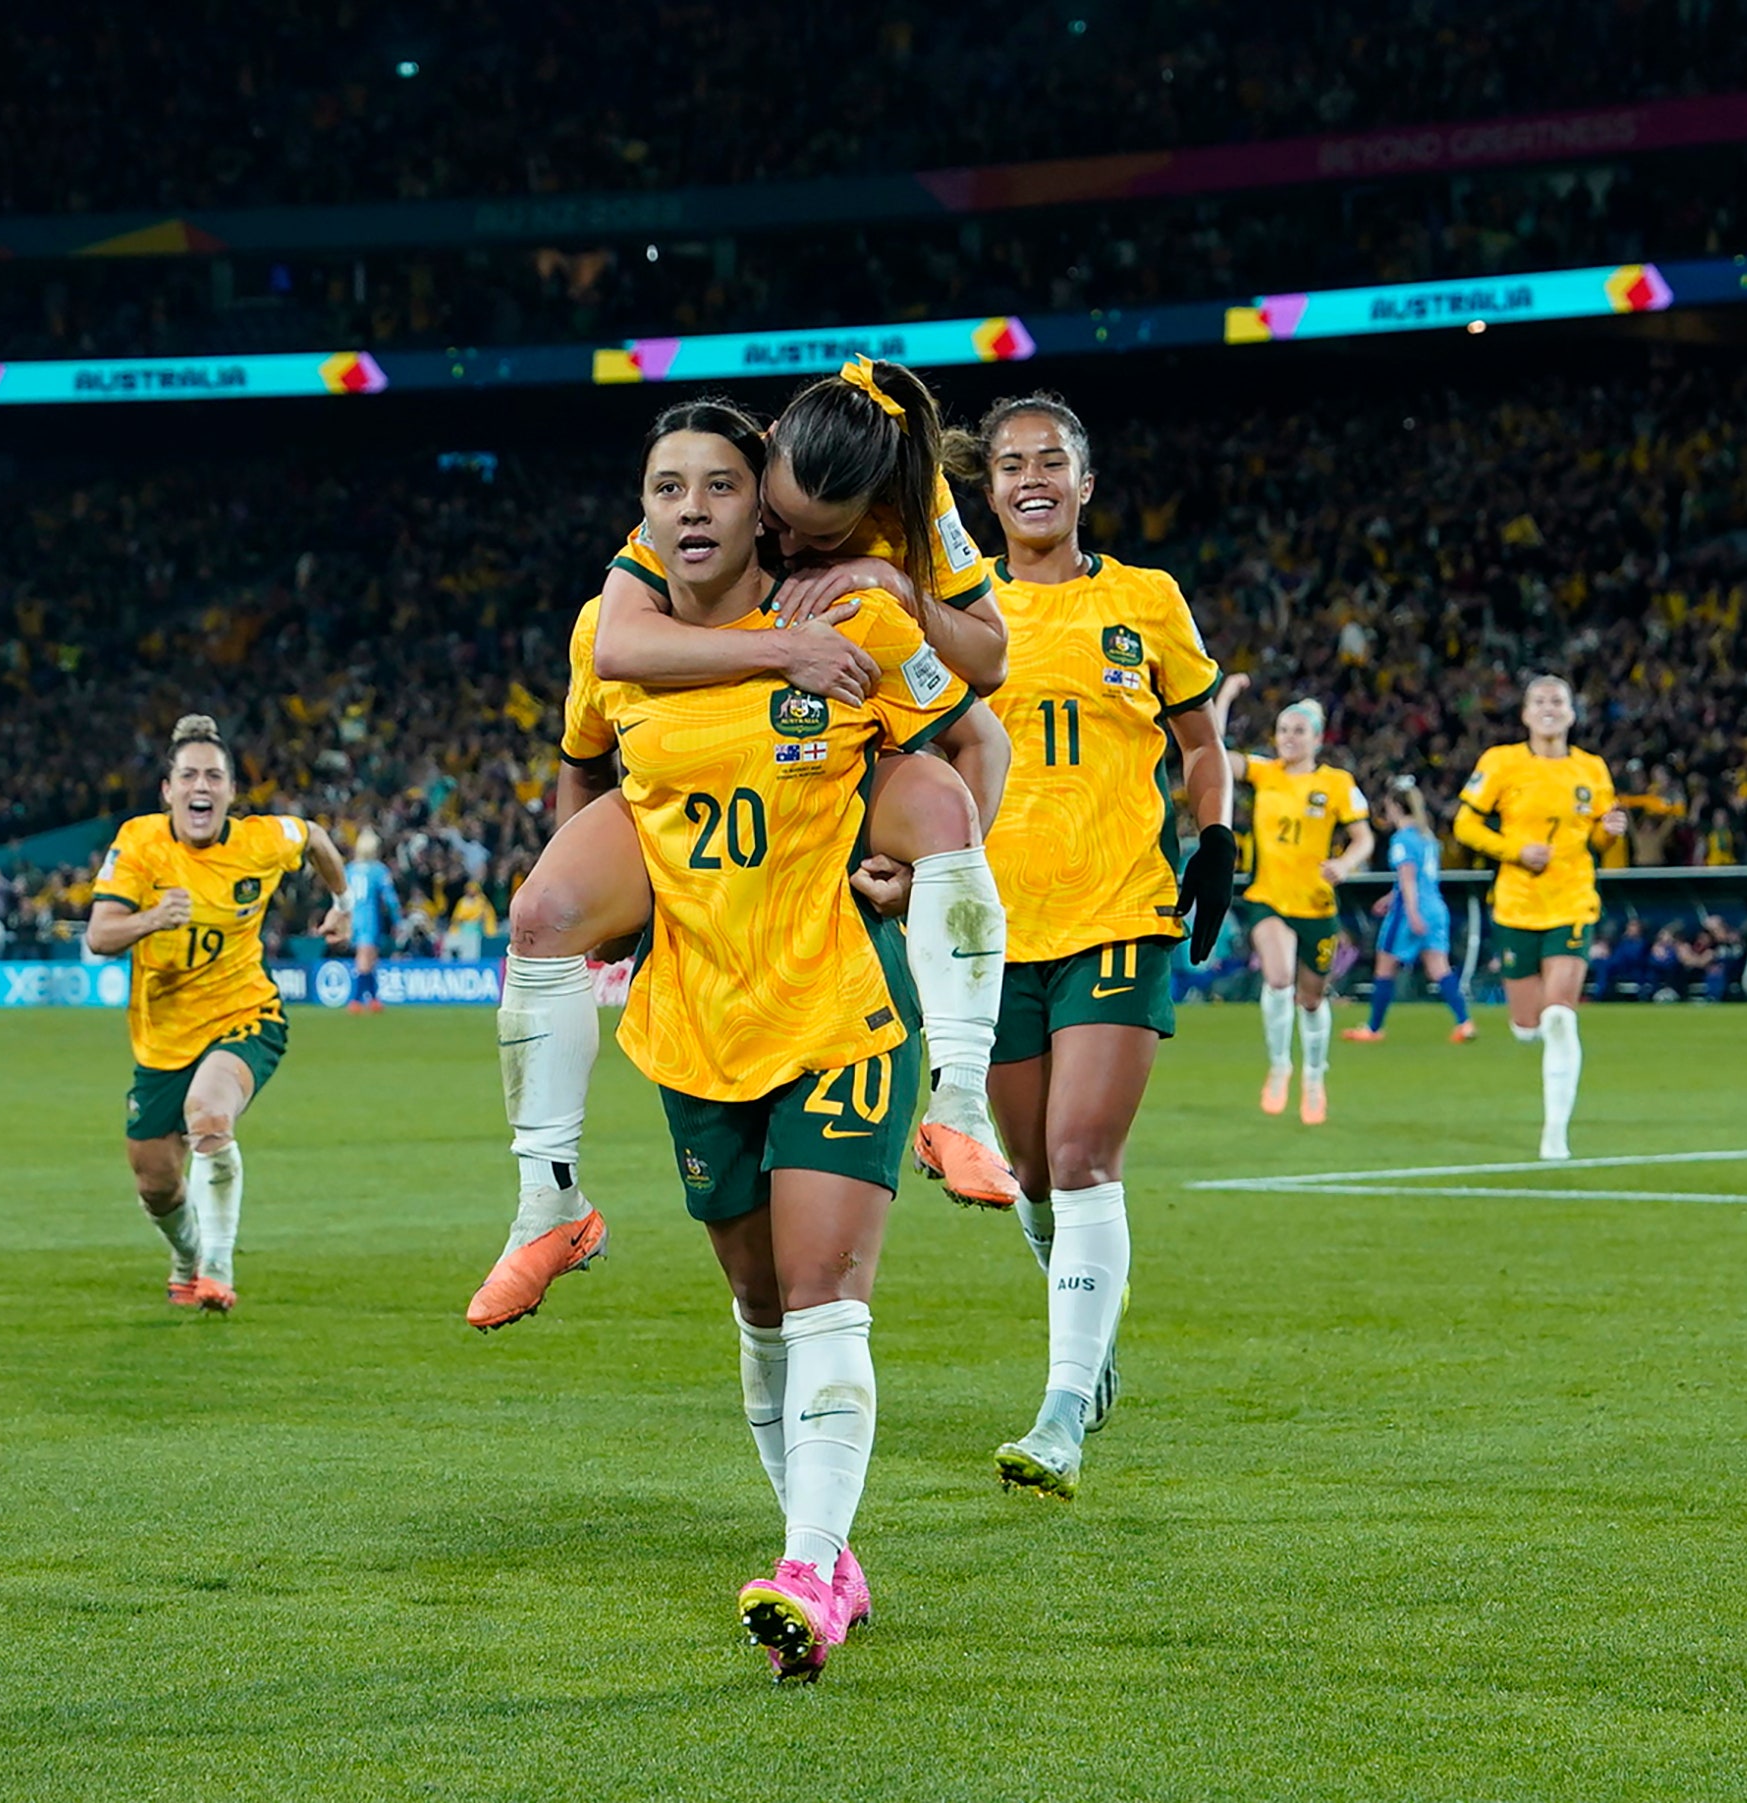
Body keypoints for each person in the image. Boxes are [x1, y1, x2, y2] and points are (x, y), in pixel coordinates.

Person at [559, 401, 1009, 1680]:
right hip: (698, 1017)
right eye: (665, 487)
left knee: (822, 1300)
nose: (693, 507)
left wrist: (919, 864)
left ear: (766, 501)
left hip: (840, 1010)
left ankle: (810, 1562)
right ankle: (828, 1557)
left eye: (719, 484)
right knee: (758, 1306)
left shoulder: (861, 609)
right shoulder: (624, 629)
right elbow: (582, 771)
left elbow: (979, 718)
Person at [467, 359, 1018, 1335]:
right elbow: (613, 658)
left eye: (817, 533)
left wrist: (889, 583)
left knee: (939, 803)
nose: (789, 542)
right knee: (543, 911)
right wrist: (783, 647)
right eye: (778, 516)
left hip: (814, 875)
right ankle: (546, 1200)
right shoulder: (694, 512)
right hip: (690, 880)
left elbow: (990, 677)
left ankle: (962, 1103)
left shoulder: (897, 537)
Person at [943, 394, 1234, 1501]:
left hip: (1121, 911)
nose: (1030, 477)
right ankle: (1087, 1322)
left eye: (1050, 460)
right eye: (1011, 462)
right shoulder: (960, 617)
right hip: (994, 928)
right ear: (989, 489)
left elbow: (1203, 743)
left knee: (1080, 1157)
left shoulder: (1146, 600)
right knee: (1029, 1175)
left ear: (1084, 482)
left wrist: (1216, 837)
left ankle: (1062, 1413)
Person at [86, 714, 350, 1310]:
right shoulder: (139, 842)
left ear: (230, 792)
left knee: (208, 1114)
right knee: (155, 1180)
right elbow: (101, 936)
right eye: (188, 775)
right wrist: (153, 917)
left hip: (246, 1014)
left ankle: (216, 1271)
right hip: (162, 1037)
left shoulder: (258, 841)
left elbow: (312, 837)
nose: (200, 786)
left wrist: (344, 902)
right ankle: (186, 1260)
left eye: (213, 776)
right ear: (168, 790)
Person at [1452, 675, 1626, 1159]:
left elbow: (1598, 840)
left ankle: (1555, 1134)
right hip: (1515, 906)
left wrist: (1609, 832)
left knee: (1560, 1017)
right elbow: (1464, 824)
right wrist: (1513, 850)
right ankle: (1529, 1030)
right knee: (1528, 1026)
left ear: (1572, 713)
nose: (1549, 708)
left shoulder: (1592, 769)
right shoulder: (1501, 762)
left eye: (1558, 701)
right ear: (1526, 714)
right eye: (1539, 701)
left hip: (1572, 902)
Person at [1215, 675, 1374, 1124]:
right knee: (1278, 977)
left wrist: (1345, 864)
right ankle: (1280, 1066)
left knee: (1310, 999)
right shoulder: (1265, 774)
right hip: (1268, 897)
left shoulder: (1338, 783)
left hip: (1316, 904)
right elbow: (1215, 753)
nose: (1289, 737)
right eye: (1283, 729)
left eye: (1298, 730)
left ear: (1317, 738)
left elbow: (1363, 838)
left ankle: (1315, 1076)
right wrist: (1225, 697)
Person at [1342, 778, 1476, 1043]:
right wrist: (1391, 896)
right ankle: (1465, 1022)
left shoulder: (1402, 839)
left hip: (1410, 911)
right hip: (1436, 906)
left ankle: (1373, 1028)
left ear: (1395, 807)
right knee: (1439, 967)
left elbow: (1408, 877)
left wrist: (1411, 912)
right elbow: (1420, 879)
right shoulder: (1427, 838)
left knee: (1384, 965)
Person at [344, 829, 400, 1011]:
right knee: (365, 958)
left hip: (353, 917)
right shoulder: (378, 870)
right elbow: (390, 899)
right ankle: (356, 999)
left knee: (370, 957)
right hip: (369, 917)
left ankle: (374, 999)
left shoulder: (349, 869)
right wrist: (397, 921)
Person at [444, 878, 497, 960]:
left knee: (471, 952)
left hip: (476, 929)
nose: (470, 891)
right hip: (461, 929)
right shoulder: (462, 901)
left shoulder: (482, 901)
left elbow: (485, 916)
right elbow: (456, 916)